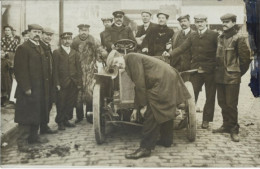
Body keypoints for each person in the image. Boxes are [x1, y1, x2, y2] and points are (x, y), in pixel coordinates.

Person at [106, 50, 191, 159]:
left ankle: (145, 148)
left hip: (162, 80)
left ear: (121, 56)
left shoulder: (131, 58)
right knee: (164, 109)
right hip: (168, 76)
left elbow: (140, 84)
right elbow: (137, 86)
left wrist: (144, 106)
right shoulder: (130, 59)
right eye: (115, 65)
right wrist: (136, 108)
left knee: (152, 114)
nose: (118, 65)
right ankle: (166, 140)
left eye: (117, 62)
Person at [164, 14, 218, 129]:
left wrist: (216, 66)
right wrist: (170, 54)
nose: (199, 24)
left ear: (206, 22)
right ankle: (187, 119)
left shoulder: (213, 35)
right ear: (195, 23)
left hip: (210, 71)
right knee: (191, 95)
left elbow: (219, 51)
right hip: (196, 70)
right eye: (197, 22)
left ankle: (206, 120)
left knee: (210, 96)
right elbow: (182, 47)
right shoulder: (193, 35)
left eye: (202, 22)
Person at [212, 14, 251, 142]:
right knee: (222, 102)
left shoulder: (238, 38)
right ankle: (226, 125)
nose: (224, 24)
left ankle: (234, 128)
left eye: (227, 22)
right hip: (219, 76)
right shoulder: (220, 37)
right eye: (223, 21)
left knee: (231, 104)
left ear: (234, 23)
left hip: (232, 77)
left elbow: (245, 59)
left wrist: (237, 73)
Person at [14, 24, 50, 150]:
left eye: (39, 32)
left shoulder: (40, 47)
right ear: (29, 33)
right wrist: (26, 87)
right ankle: (22, 142)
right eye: (34, 32)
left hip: (40, 88)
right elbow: (20, 70)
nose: (37, 34)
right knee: (25, 115)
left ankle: (34, 137)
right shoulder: (23, 48)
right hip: (28, 89)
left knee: (37, 112)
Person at [71, 24, 106, 123]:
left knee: (90, 92)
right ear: (78, 31)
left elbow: (100, 52)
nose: (83, 32)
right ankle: (79, 116)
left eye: (85, 30)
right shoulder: (74, 41)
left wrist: (103, 54)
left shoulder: (94, 40)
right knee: (78, 93)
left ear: (88, 31)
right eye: (81, 30)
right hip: (78, 70)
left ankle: (89, 115)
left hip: (90, 70)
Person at [53, 32, 82, 130]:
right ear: (61, 40)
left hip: (73, 82)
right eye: (65, 39)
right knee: (61, 102)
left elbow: (79, 69)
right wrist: (56, 83)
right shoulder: (57, 52)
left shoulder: (75, 53)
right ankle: (60, 121)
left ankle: (66, 119)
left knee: (70, 102)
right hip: (62, 83)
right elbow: (55, 69)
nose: (67, 41)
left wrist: (79, 82)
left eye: (69, 39)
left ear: (72, 40)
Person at [39, 27, 57, 134]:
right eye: (46, 34)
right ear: (42, 35)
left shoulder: (48, 47)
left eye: (50, 35)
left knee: (48, 104)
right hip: (41, 82)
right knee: (42, 105)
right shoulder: (40, 47)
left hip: (49, 81)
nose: (48, 37)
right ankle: (41, 128)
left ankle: (44, 126)